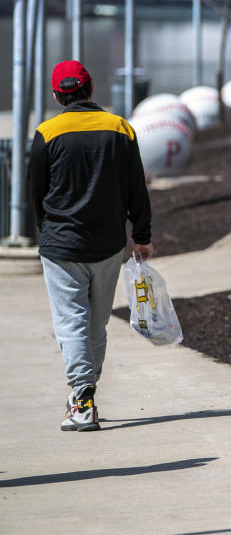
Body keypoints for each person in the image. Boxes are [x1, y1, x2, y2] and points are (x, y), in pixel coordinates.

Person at [28, 60, 153, 432]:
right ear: (92, 89)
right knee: (95, 325)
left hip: (61, 246)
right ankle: (85, 393)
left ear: (56, 94)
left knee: (73, 324)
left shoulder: (47, 133)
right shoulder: (120, 128)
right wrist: (142, 236)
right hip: (109, 245)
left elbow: (36, 192)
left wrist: (46, 231)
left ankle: (82, 401)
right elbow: (137, 188)